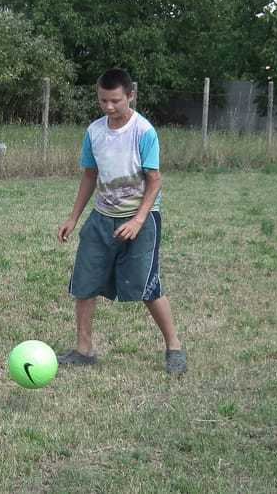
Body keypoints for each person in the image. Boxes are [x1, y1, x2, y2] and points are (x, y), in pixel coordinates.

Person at [56, 69, 186, 375]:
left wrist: (138, 221)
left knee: (147, 286)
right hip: (102, 217)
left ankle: (174, 347)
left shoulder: (144, 132)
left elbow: (154, 181)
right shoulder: (94, 132)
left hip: (141, 217)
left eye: (115, 100)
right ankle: (84, 350)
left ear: (130, 96)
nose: (109, 107)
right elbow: (90, 175)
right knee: (85, 283)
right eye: (103, 100)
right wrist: (73, 217)